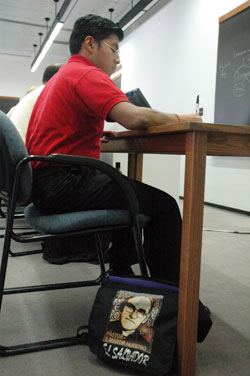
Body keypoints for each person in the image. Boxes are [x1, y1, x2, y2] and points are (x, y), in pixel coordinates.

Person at [25, 14, 202, 282]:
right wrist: (183, 119)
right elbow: (134, 117)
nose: (117, 59)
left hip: (44, 185)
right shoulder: (86, 73)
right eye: (114, 49)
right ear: (90, 44)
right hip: (63, 184)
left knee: (125, 189)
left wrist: (91, 133)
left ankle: (121, 273)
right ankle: (173, 297)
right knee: (164, 205)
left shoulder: (64, 75)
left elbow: (59, 131)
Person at [8, 64, 62, 142]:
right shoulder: (48, 95)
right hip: (25, 149)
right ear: (59, 78)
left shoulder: (30, 96)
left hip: (12, 147)